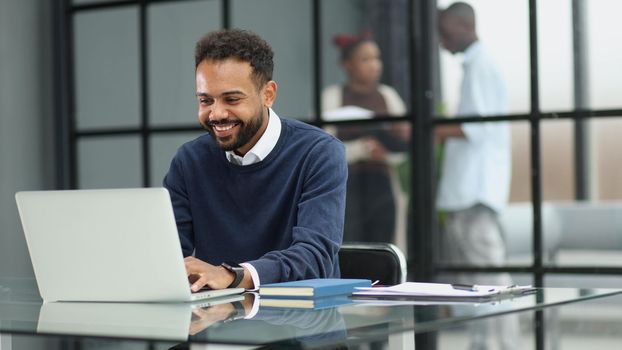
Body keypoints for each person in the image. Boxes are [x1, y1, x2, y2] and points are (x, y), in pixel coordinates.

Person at [163, 29, 348, 292]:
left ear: (268, 94)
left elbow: (314, 258)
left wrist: (234, 276)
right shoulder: (189, 160)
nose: (216, 113)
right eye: (206, 100)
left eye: (232, 99)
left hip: (303, 323)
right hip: (217, 322)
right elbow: (167, 258)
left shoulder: (319, 152)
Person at [437, 3, 518, 350]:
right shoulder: (476, 65)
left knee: (488, 278)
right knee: (480, 279)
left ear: (463, 25)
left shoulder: (480, 66)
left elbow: (475, 127)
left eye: (446, 31)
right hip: (472, 192)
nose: (441, 40)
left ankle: (499, 345)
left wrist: (427, 130)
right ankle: (487, 343)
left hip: (475, 192)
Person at [322, 33, 409, 248]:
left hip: (382, 187)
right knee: (350, 244)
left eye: (377, 58)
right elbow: (323, 146)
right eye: (365, 59)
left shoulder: (388, 96)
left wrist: (386, 154)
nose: (375, 65)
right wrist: (362, 149)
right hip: (346, 185)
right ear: (346, 64)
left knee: (382, 246)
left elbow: (404, 142)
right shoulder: (333, 96)